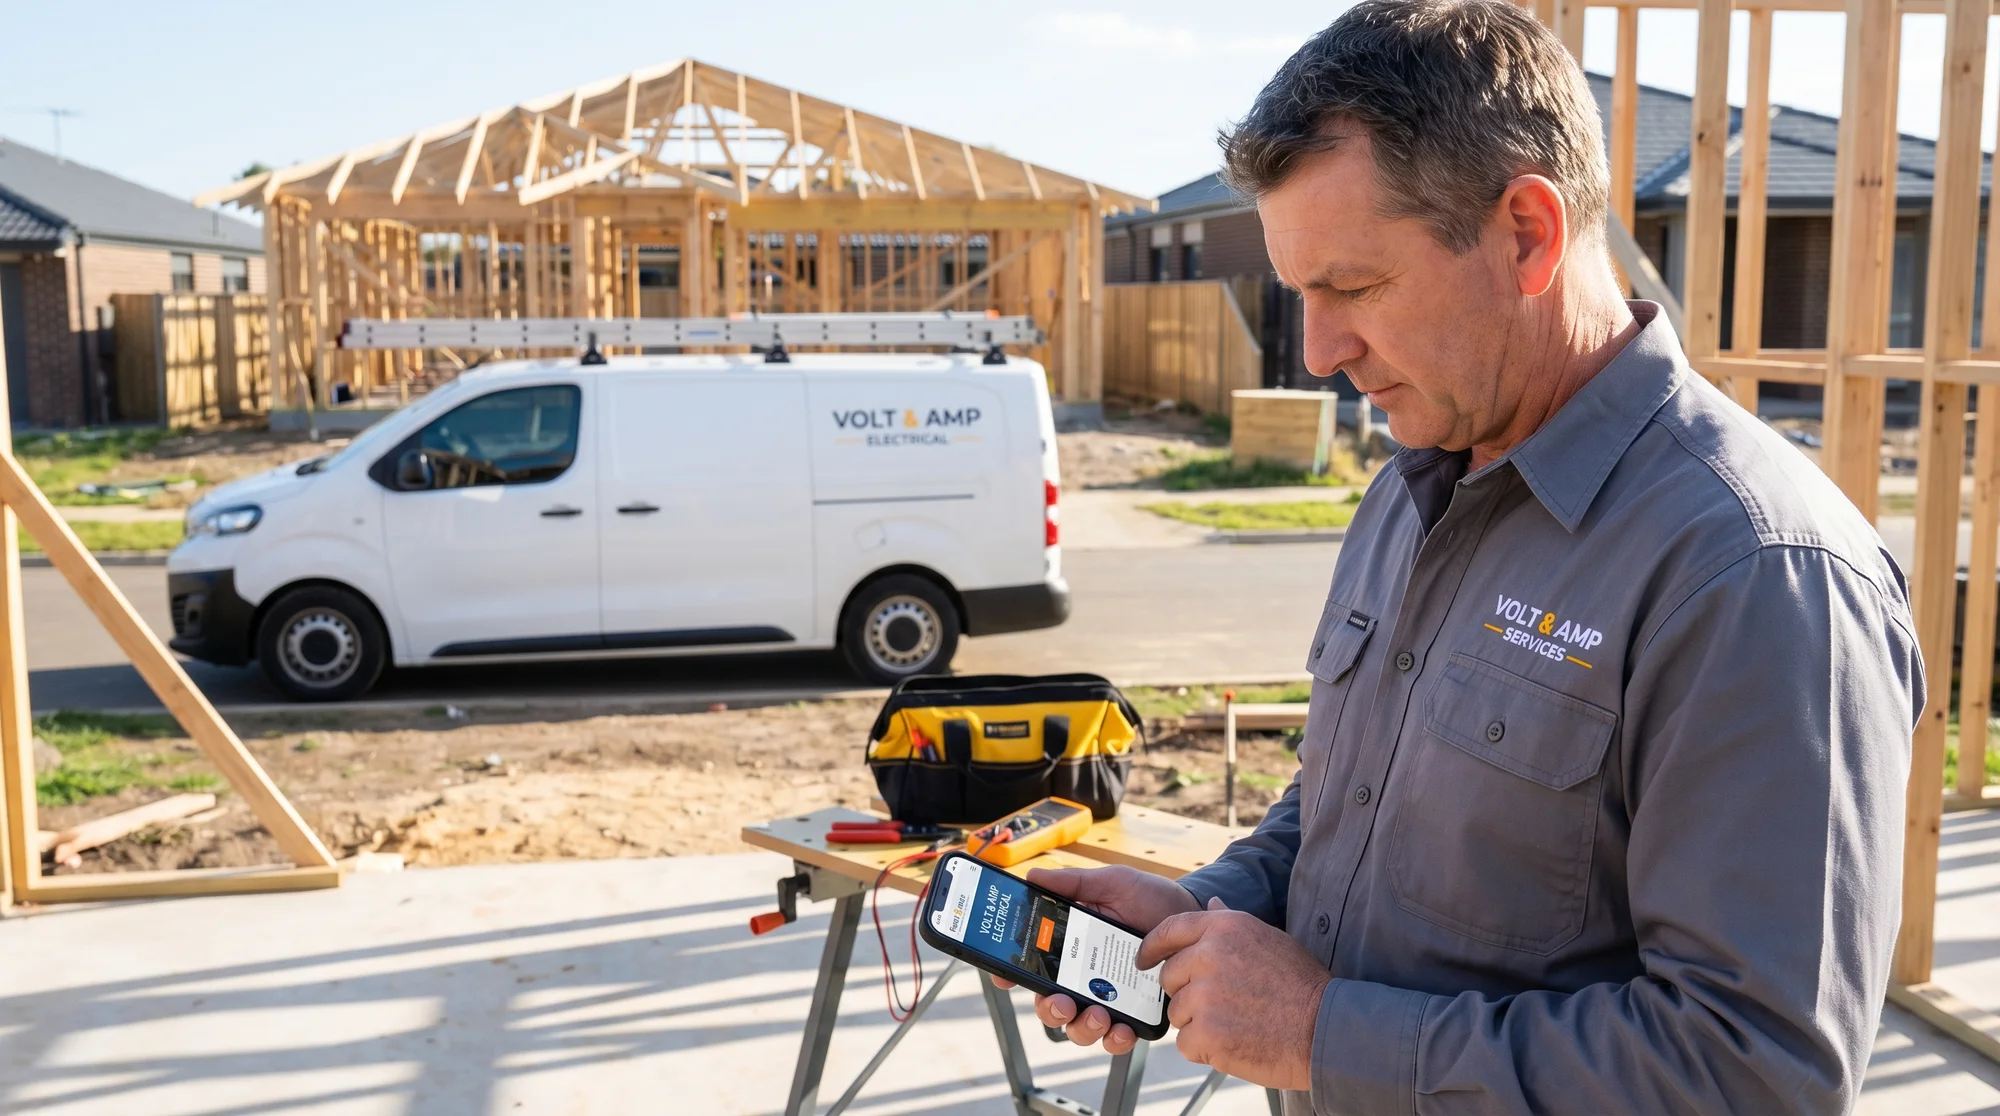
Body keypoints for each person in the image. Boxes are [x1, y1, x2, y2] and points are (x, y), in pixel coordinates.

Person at [1014, 1, 1924, 1112]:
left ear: (1527, 235)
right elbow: (1351, 807)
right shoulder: (1414, 486)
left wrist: (1316, 1033)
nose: (1318, 351)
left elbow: (1751, 1074)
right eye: (1299, 294)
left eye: (1352, 287)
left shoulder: (1757, 574)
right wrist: (1210, 912)